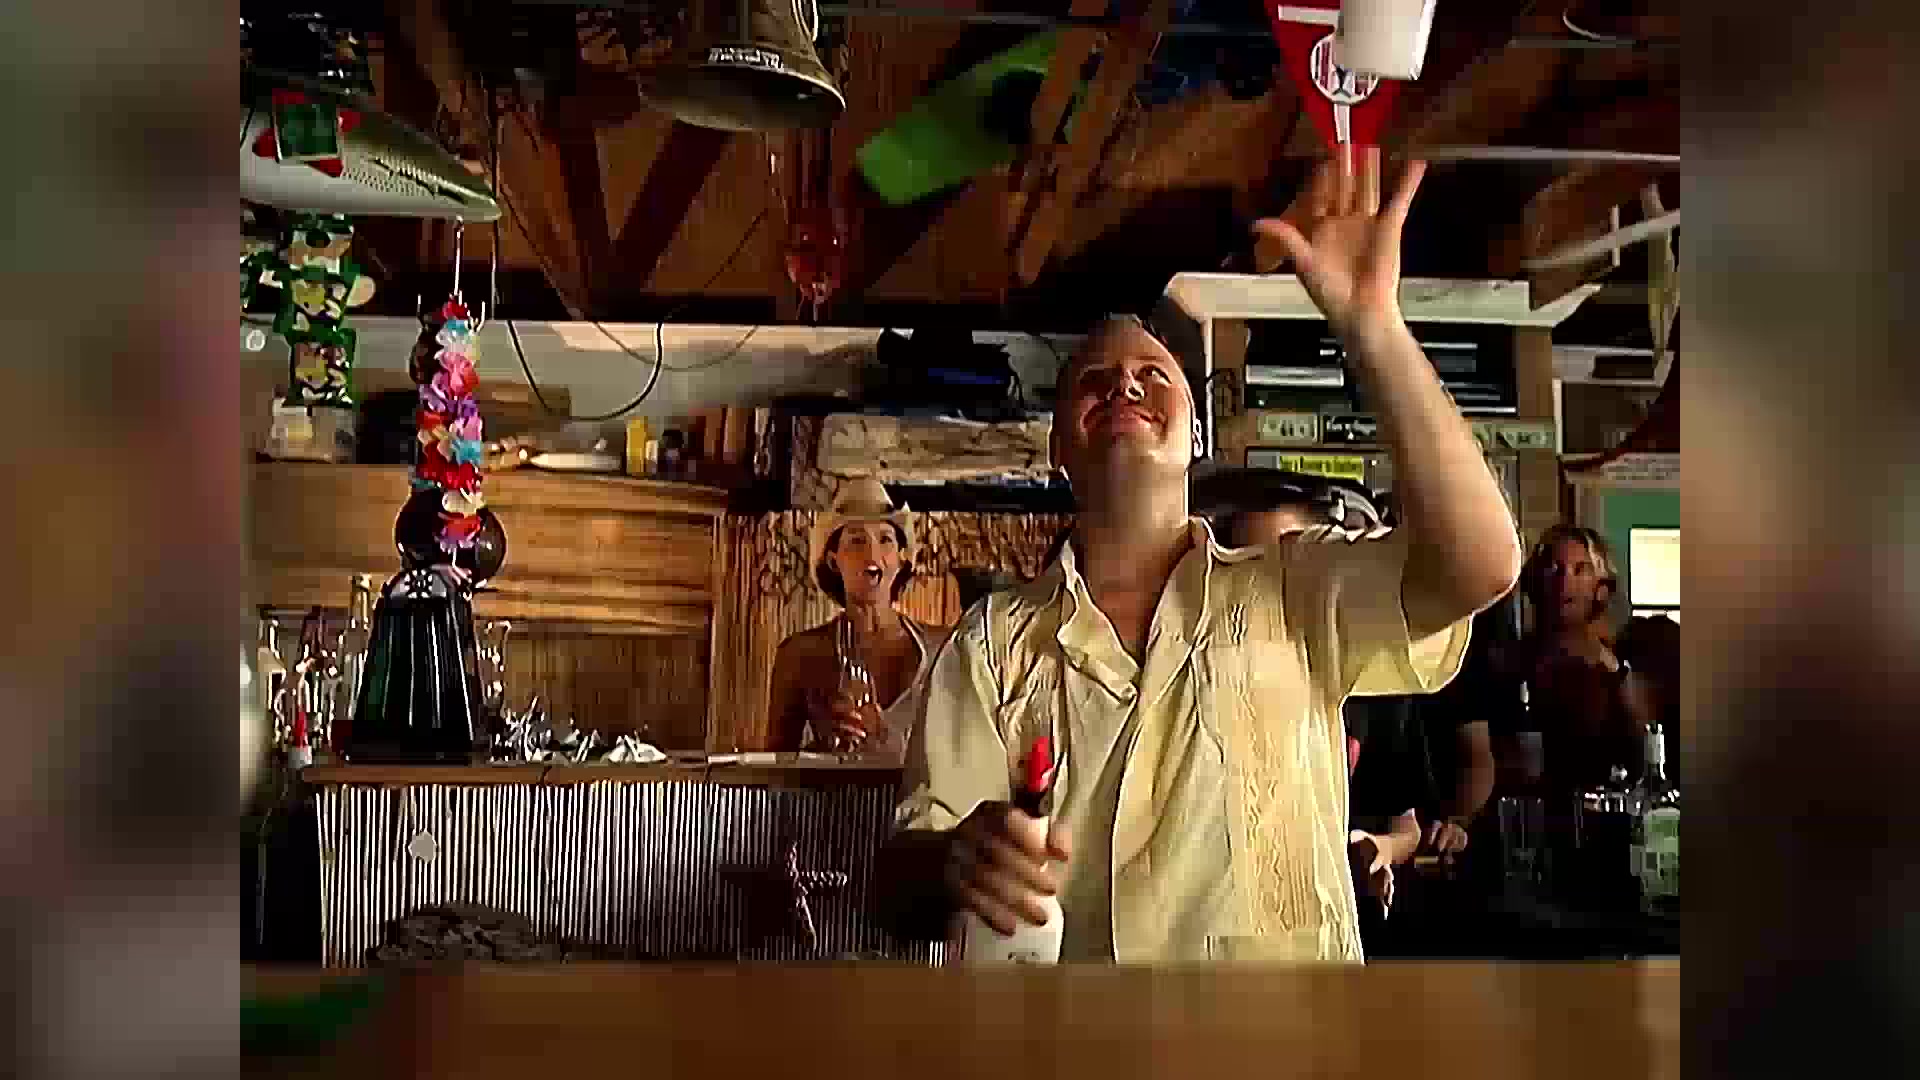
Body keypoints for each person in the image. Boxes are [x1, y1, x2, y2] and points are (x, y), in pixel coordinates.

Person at [883, 148, 1523, 963]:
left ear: (1195, 436)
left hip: (1293, 1034)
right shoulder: (991, 642)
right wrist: (951, 860)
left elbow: (1482, 565)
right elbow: (895, 887)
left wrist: (1375, 328)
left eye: (1153, 375)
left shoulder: (1294, 588)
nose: (1124, 386)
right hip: (1077, 1035)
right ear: (1057, 451)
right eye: (1093, 381)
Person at [767, 479, 949, 763]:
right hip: (834, 794)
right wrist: (825, 749)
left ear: (901, 559)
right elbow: (774, 770)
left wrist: (887, 742)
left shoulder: (943, 648)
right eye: (856, 540)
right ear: (833, 560)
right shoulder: (799, 655)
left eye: (885, 540)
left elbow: (963, 756)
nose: (872, 554)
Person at [1496, 525, 1655, 797]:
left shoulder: (1620, 662)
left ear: (1601, 587)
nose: (1564, 580)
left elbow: (1645, 756)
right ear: (1536, 582)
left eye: (1580, 569)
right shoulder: (1509, 662)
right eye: (1554, 568)